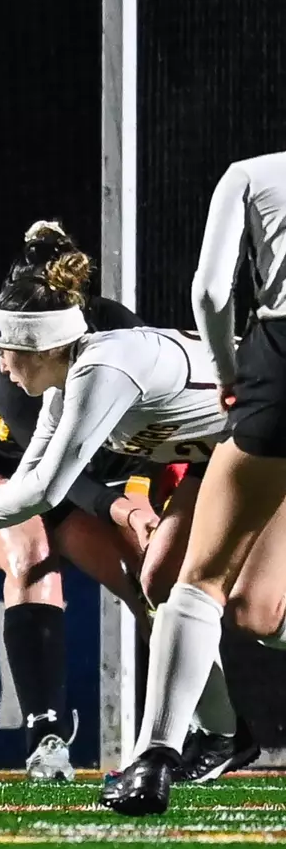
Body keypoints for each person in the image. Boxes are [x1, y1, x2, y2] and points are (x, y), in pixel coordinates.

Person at [0, 247, 250, 787]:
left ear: (38, 347)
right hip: (220, 458)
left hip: (261, 444)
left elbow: (45, 486)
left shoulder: (102, 367)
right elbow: (32, 485)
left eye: (5, 352)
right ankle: (213, 738)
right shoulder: (58, 384)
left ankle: (180, 744)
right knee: (161, 581)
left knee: (258, 612)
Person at [0, 222, 157, 781]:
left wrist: (139, 500)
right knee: (30, 554)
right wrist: (123, 508)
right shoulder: (9, 373)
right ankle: (47, 735)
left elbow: (146, 434)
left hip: (93, 485)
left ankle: (195, 733)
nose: (6, 355)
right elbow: (47, 480)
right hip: (8, 480)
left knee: (153, 584)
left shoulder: (118, 334)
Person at [106, 152, 286, 814]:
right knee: (252, 609)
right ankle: (211, 739)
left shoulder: (252, 173)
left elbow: (210, 293)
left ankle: (153, 757)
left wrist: (228, 373)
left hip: (278, 360)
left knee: (199, 582)